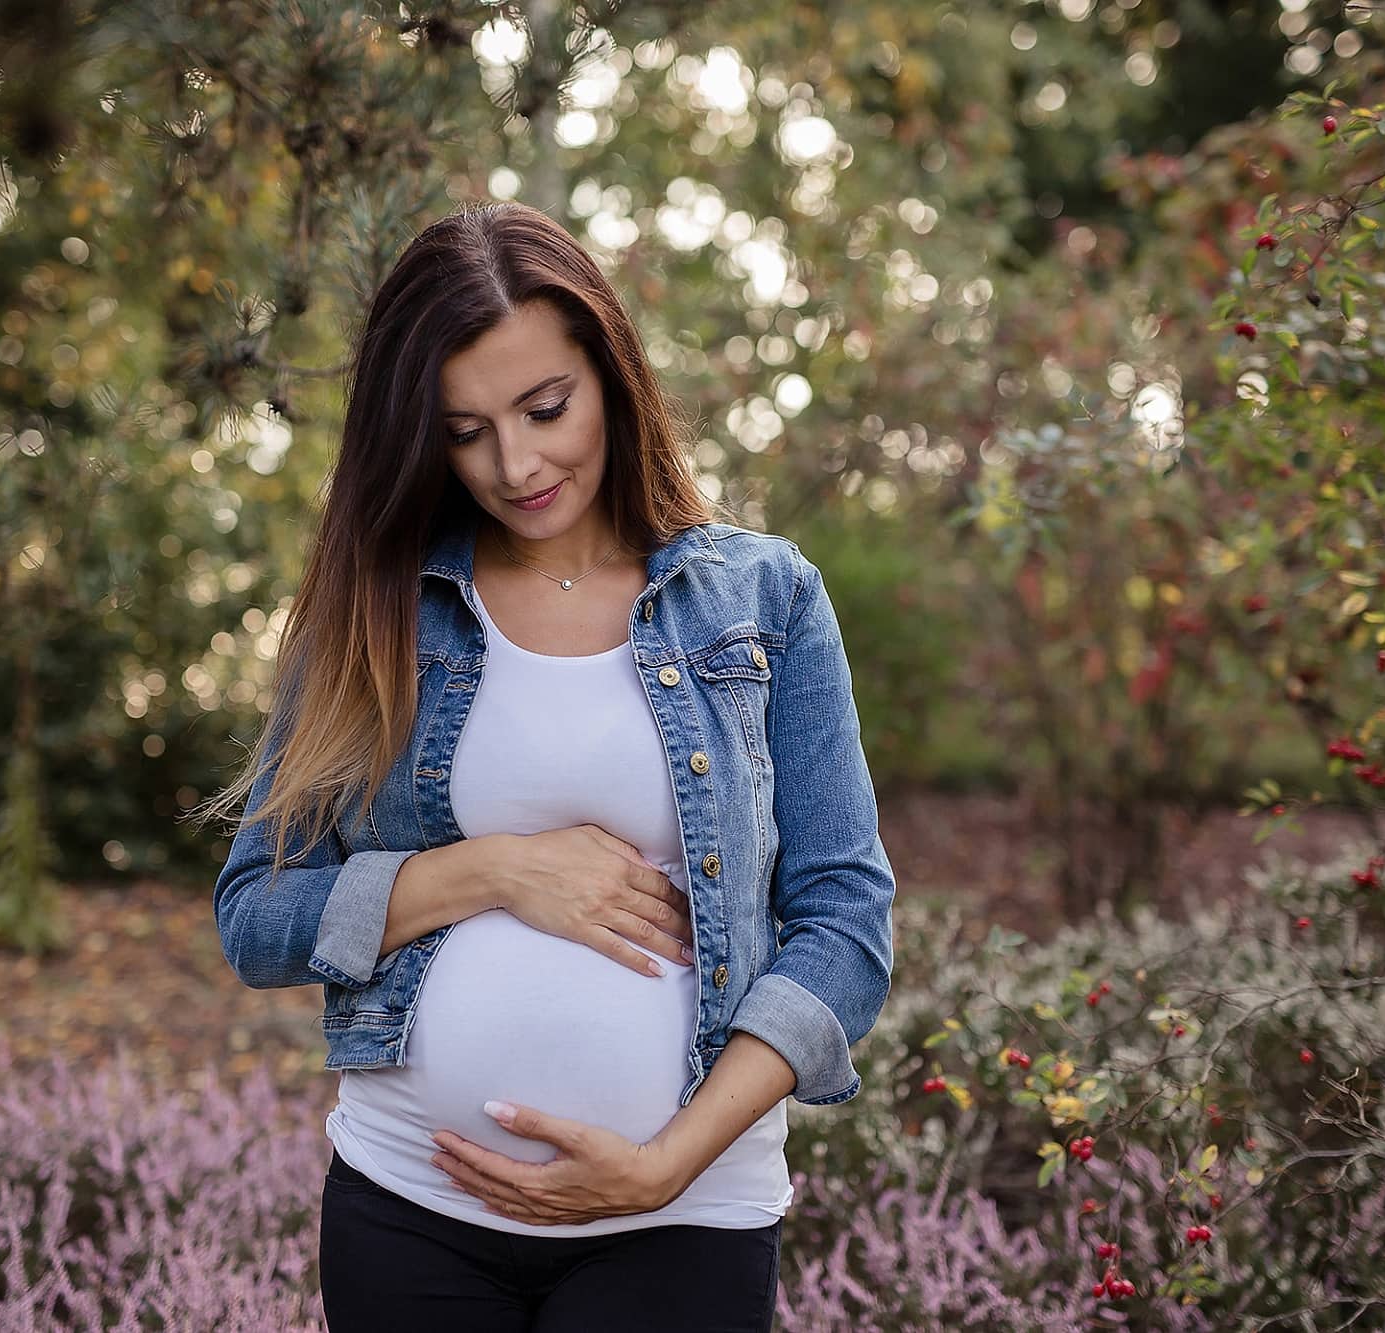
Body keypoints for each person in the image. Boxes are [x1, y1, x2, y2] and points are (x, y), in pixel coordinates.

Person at [207, 200, 896, 1332]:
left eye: (543, 408)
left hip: (681, 1220)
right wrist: (492, 871)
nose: (514, 463)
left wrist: (665, 1161)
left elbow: (844, 922)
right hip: (407, 1210)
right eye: (463, 429)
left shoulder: (763, 599)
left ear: (610, 376)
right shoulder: (375, 610)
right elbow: (255, 915)